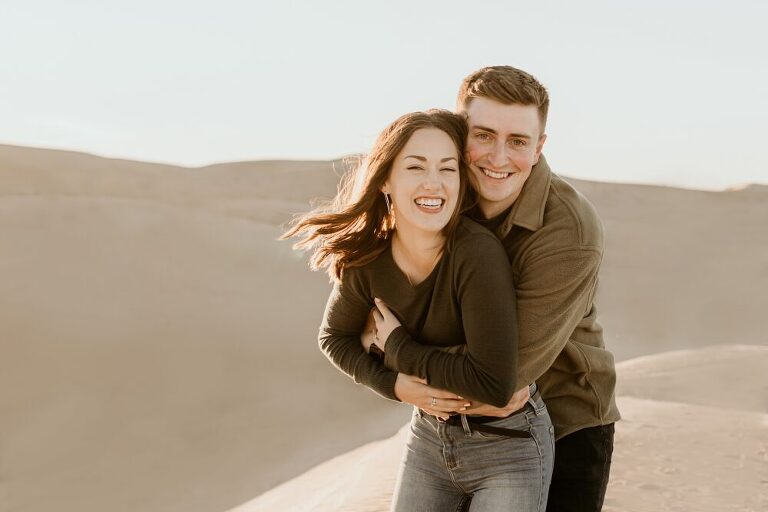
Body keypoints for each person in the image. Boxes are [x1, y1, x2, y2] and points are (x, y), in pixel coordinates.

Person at [283, 109, 554, 511]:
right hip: (430, 438)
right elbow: (334, 338)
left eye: (448, 169)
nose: (434, 183)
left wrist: (398, 348)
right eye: (415, 167)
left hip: (509, 444)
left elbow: (494, 383)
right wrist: (393, 385)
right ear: (386, 180)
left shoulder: (476, 254)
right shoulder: (369, 260)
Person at [399, 66, 621, 512]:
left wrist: (393, 355)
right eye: (483, 135)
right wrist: (397, 375)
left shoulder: (569, 229)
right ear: (459, 134)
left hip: (564, 425)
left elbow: (502, 377)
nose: (498, 158)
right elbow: (359, 314)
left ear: (538, 148)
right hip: (446, 427)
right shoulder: (438, 195)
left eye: (518, 141)